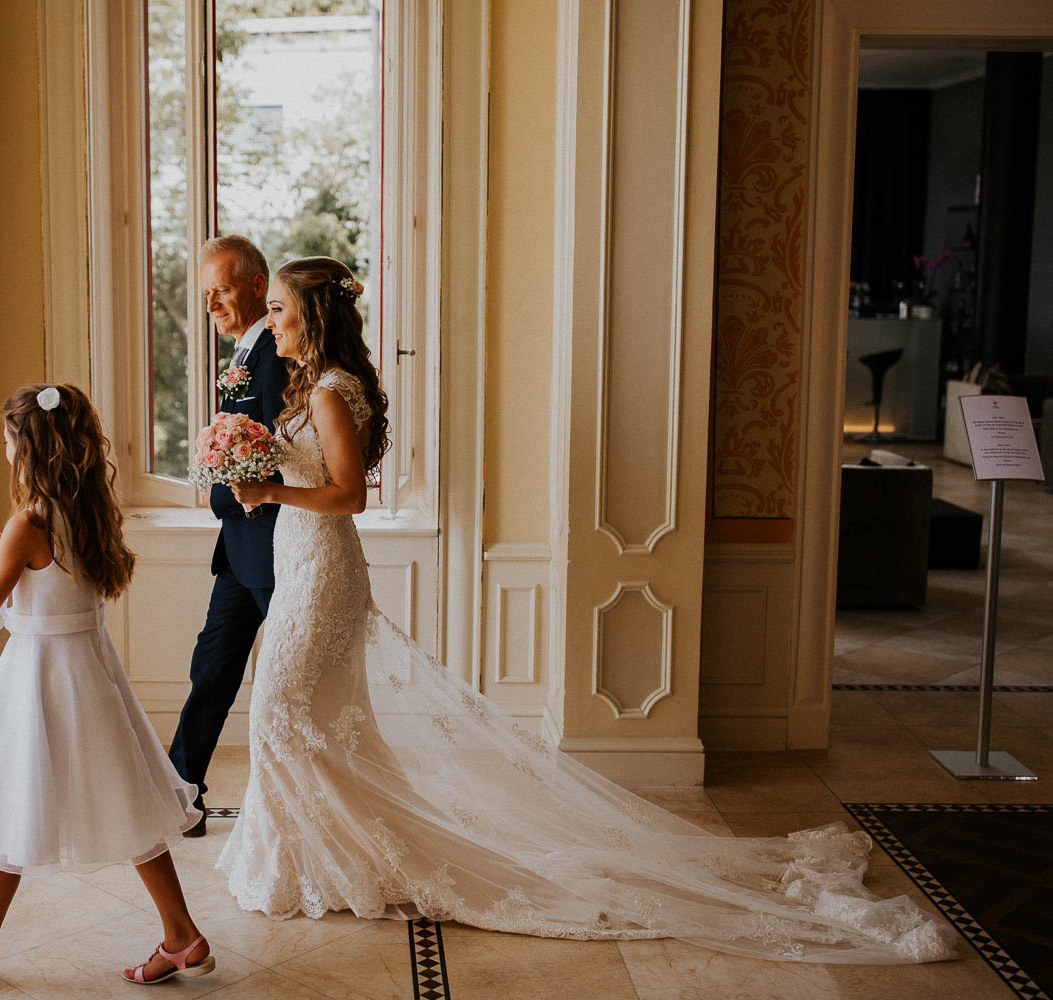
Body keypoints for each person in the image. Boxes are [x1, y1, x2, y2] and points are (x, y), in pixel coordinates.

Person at [220, 256, 959, 964]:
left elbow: (348, 495)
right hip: (306, 564)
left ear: (312, 312)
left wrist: (270, 490)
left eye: (279, 308)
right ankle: (327, 861)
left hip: (322, 573)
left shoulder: (327, 392)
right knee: (307, 719)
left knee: (281, 711)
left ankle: (334, 861)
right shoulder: (317, 384)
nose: (271, 320)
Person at [0, 383, 216, 989]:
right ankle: (182, 935)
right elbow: (53, 570)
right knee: (127, 799)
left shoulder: (30, 520)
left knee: (11, 800)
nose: (3, 450)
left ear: (28, 446)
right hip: (89, 671)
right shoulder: (84, 506)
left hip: (38, 677)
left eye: (5, 440)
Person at [167, 235, 291, 837]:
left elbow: (274, 451)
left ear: (257, 285)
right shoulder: (244, 353)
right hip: (239, 553)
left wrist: (220, 490)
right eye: (207, 293)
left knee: (291, 678)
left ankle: (295, 809)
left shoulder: (275, 351)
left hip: (274, 545)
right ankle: (180, 792)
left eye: (222, 289)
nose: (212, 303)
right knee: (212, 665)